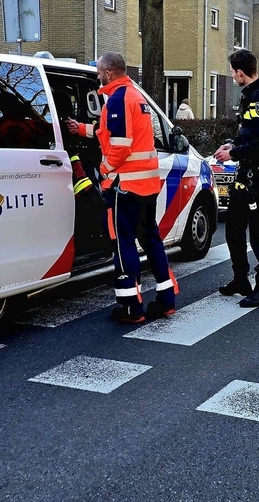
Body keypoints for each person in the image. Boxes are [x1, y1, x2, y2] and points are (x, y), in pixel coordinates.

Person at [65, 52, 177, 323]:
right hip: (146, 186)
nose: (98, 76)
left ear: (110, 72)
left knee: (123, 243)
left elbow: (119, 146)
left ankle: (131, 306)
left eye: (100, 71)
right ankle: (166, 299)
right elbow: (113, 132)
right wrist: (82, 129)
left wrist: (104, 171)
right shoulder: (134, 96)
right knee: (151, 240)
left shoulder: (117, 99)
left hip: (125, 186)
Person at [213, 49, 259, 308]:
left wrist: (234, 153)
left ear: (240, 72)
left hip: (257, 175)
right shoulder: (251, 96)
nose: (232, 76)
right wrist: (231, 145)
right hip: (245, 173)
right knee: (233, 229)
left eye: (232, 72)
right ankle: (240, 279)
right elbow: (248, 135)